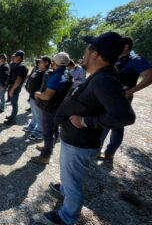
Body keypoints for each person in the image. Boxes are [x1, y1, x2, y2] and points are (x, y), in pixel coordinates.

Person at [35, 32, 136, 225]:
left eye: (86, 51)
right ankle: (64, 190)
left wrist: (86, 121)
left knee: (74, 183)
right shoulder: (101, 75)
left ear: (95, 55)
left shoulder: (104, 80)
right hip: (73, 140)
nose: (82, 55)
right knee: (68, 177)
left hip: (79, 142)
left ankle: (66, 217)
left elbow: (125, 116)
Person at [100, 37, 152, 161]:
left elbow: (149, 76)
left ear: (126, 47)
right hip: (107, 97)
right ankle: (97, 148)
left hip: (122, 99)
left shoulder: (136, 60)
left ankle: (109, 153)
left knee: (117, 126)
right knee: (103, 122)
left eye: (119, 45)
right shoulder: (115, 58)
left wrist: (130, 91)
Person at [30, 52, 73, 164]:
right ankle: (48, 147)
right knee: (54, 130)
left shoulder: (57, 77)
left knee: (48, 132)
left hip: (51, 108)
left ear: (54, 63)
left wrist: (38, 94)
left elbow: (48, 96)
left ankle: (45, 156)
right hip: (60, 107)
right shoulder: (68, 74)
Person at [23, 56, 51, 140]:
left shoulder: (47, 73)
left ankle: (39, 132)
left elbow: (45, 87)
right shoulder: (39, 71)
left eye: (41, 62)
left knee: (39, 116)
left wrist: (40, 95)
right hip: (32, 96)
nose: (39, 63)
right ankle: (31, 126)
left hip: (38, 98)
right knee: (34, 114)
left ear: (46, 63)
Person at [4, 50, 28, 125]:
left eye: (15, 57)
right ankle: (12, 116)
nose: (13, 58)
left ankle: (13, 120)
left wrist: (12, 90)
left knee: (14, 104)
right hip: (12, 86)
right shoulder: (16, 64)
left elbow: (18, 80)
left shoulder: (22, 66)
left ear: (19, 57)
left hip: (15, 88)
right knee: (13, 103)